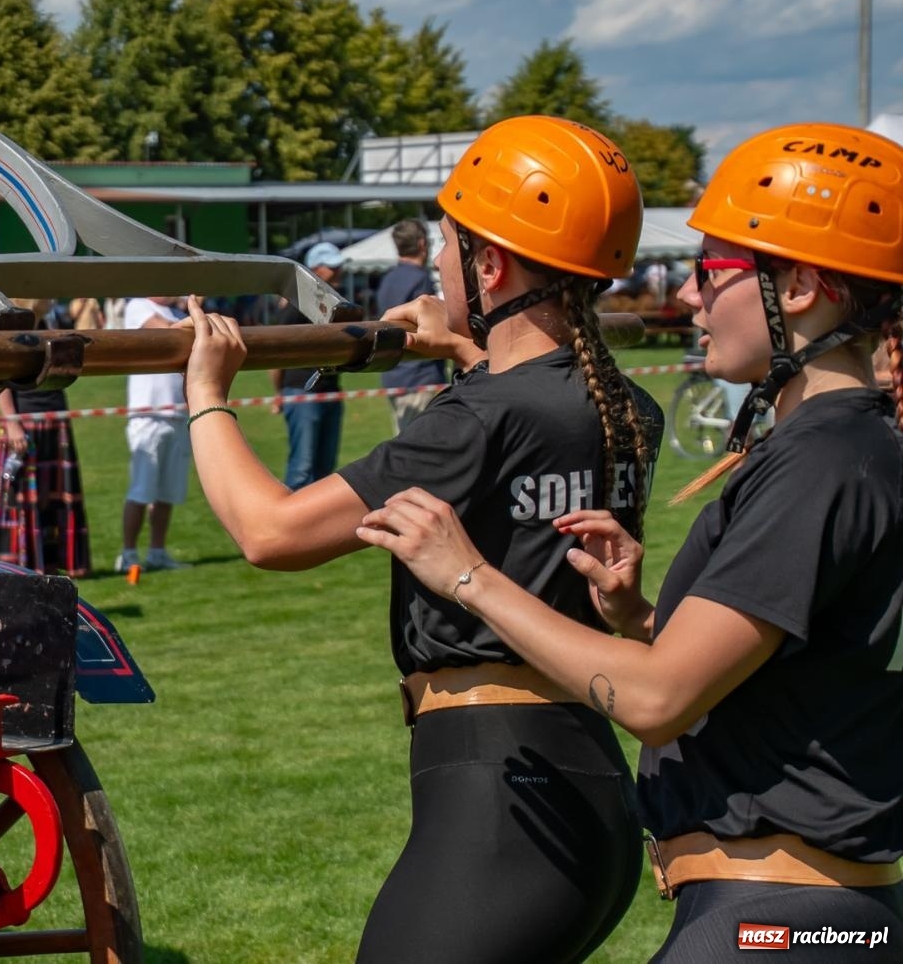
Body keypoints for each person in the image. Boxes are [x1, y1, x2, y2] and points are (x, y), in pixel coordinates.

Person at [357, 122, 903, 959]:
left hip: (776, 921)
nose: (687, 297)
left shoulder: (823, 462)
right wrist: (642, 619)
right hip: (777, 913)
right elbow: (770, 672)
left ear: (798, 286)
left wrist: (469, 575)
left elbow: (655, 702)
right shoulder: (838, 447)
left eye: (710, 271)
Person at [181, 116, 658, 962]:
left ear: (491, 263)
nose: (438, 266)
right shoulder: (621, 405)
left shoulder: (475, 418)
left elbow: (269, 531)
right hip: (585, 788)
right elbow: (528, 422)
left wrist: (208, 392)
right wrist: (471, 348)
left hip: (497, 803)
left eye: (447, 244)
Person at [0, 299, 92, 576]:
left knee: (56, 498)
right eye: (44, 293)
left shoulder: (51, 325)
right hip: (24, 423)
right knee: (24, 500)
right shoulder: (11, 330)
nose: (51, 298)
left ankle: (57, 560)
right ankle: (24, 562)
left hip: (54, 420)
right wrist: (11, 423)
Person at [118, 295, 191, 573]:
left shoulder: (175, 312)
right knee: (142, 489)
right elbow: (168, 330)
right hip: (147, 414)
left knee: (168, 492)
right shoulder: (138, 306)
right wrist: (193, 316)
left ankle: (157, 552)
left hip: (178, 413)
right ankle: (128, 554)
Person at [269, 242, 347, 489]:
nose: (338, 271)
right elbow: (276, 350)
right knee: (302, 469)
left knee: (325, 469)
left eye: (338, 266)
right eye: (332, 267)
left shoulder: (337, 302)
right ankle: (287, 523)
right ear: (315, 270)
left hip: (330, 390)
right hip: (301, 391)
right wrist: (279, 392)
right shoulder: (297, 303)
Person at [376, 219, 448, 431]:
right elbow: (429, 327)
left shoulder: (387, 280)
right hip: (420, 375)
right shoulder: (420, 280)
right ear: (422, 244)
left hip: (393, 374)